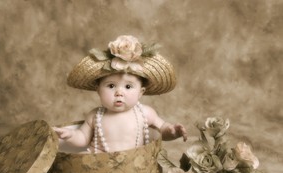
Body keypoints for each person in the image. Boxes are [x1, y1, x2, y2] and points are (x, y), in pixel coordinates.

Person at [53, 35, 187, 153]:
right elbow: (82, 138)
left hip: (132, 165)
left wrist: (172, 131)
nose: (119, 93)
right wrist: (70, 135)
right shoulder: (95, 116)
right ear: (98, 90)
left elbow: (162, 130)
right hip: (99, 166)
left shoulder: (145, 113)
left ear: (141, 93)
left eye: (128, 86)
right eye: (111, 86)